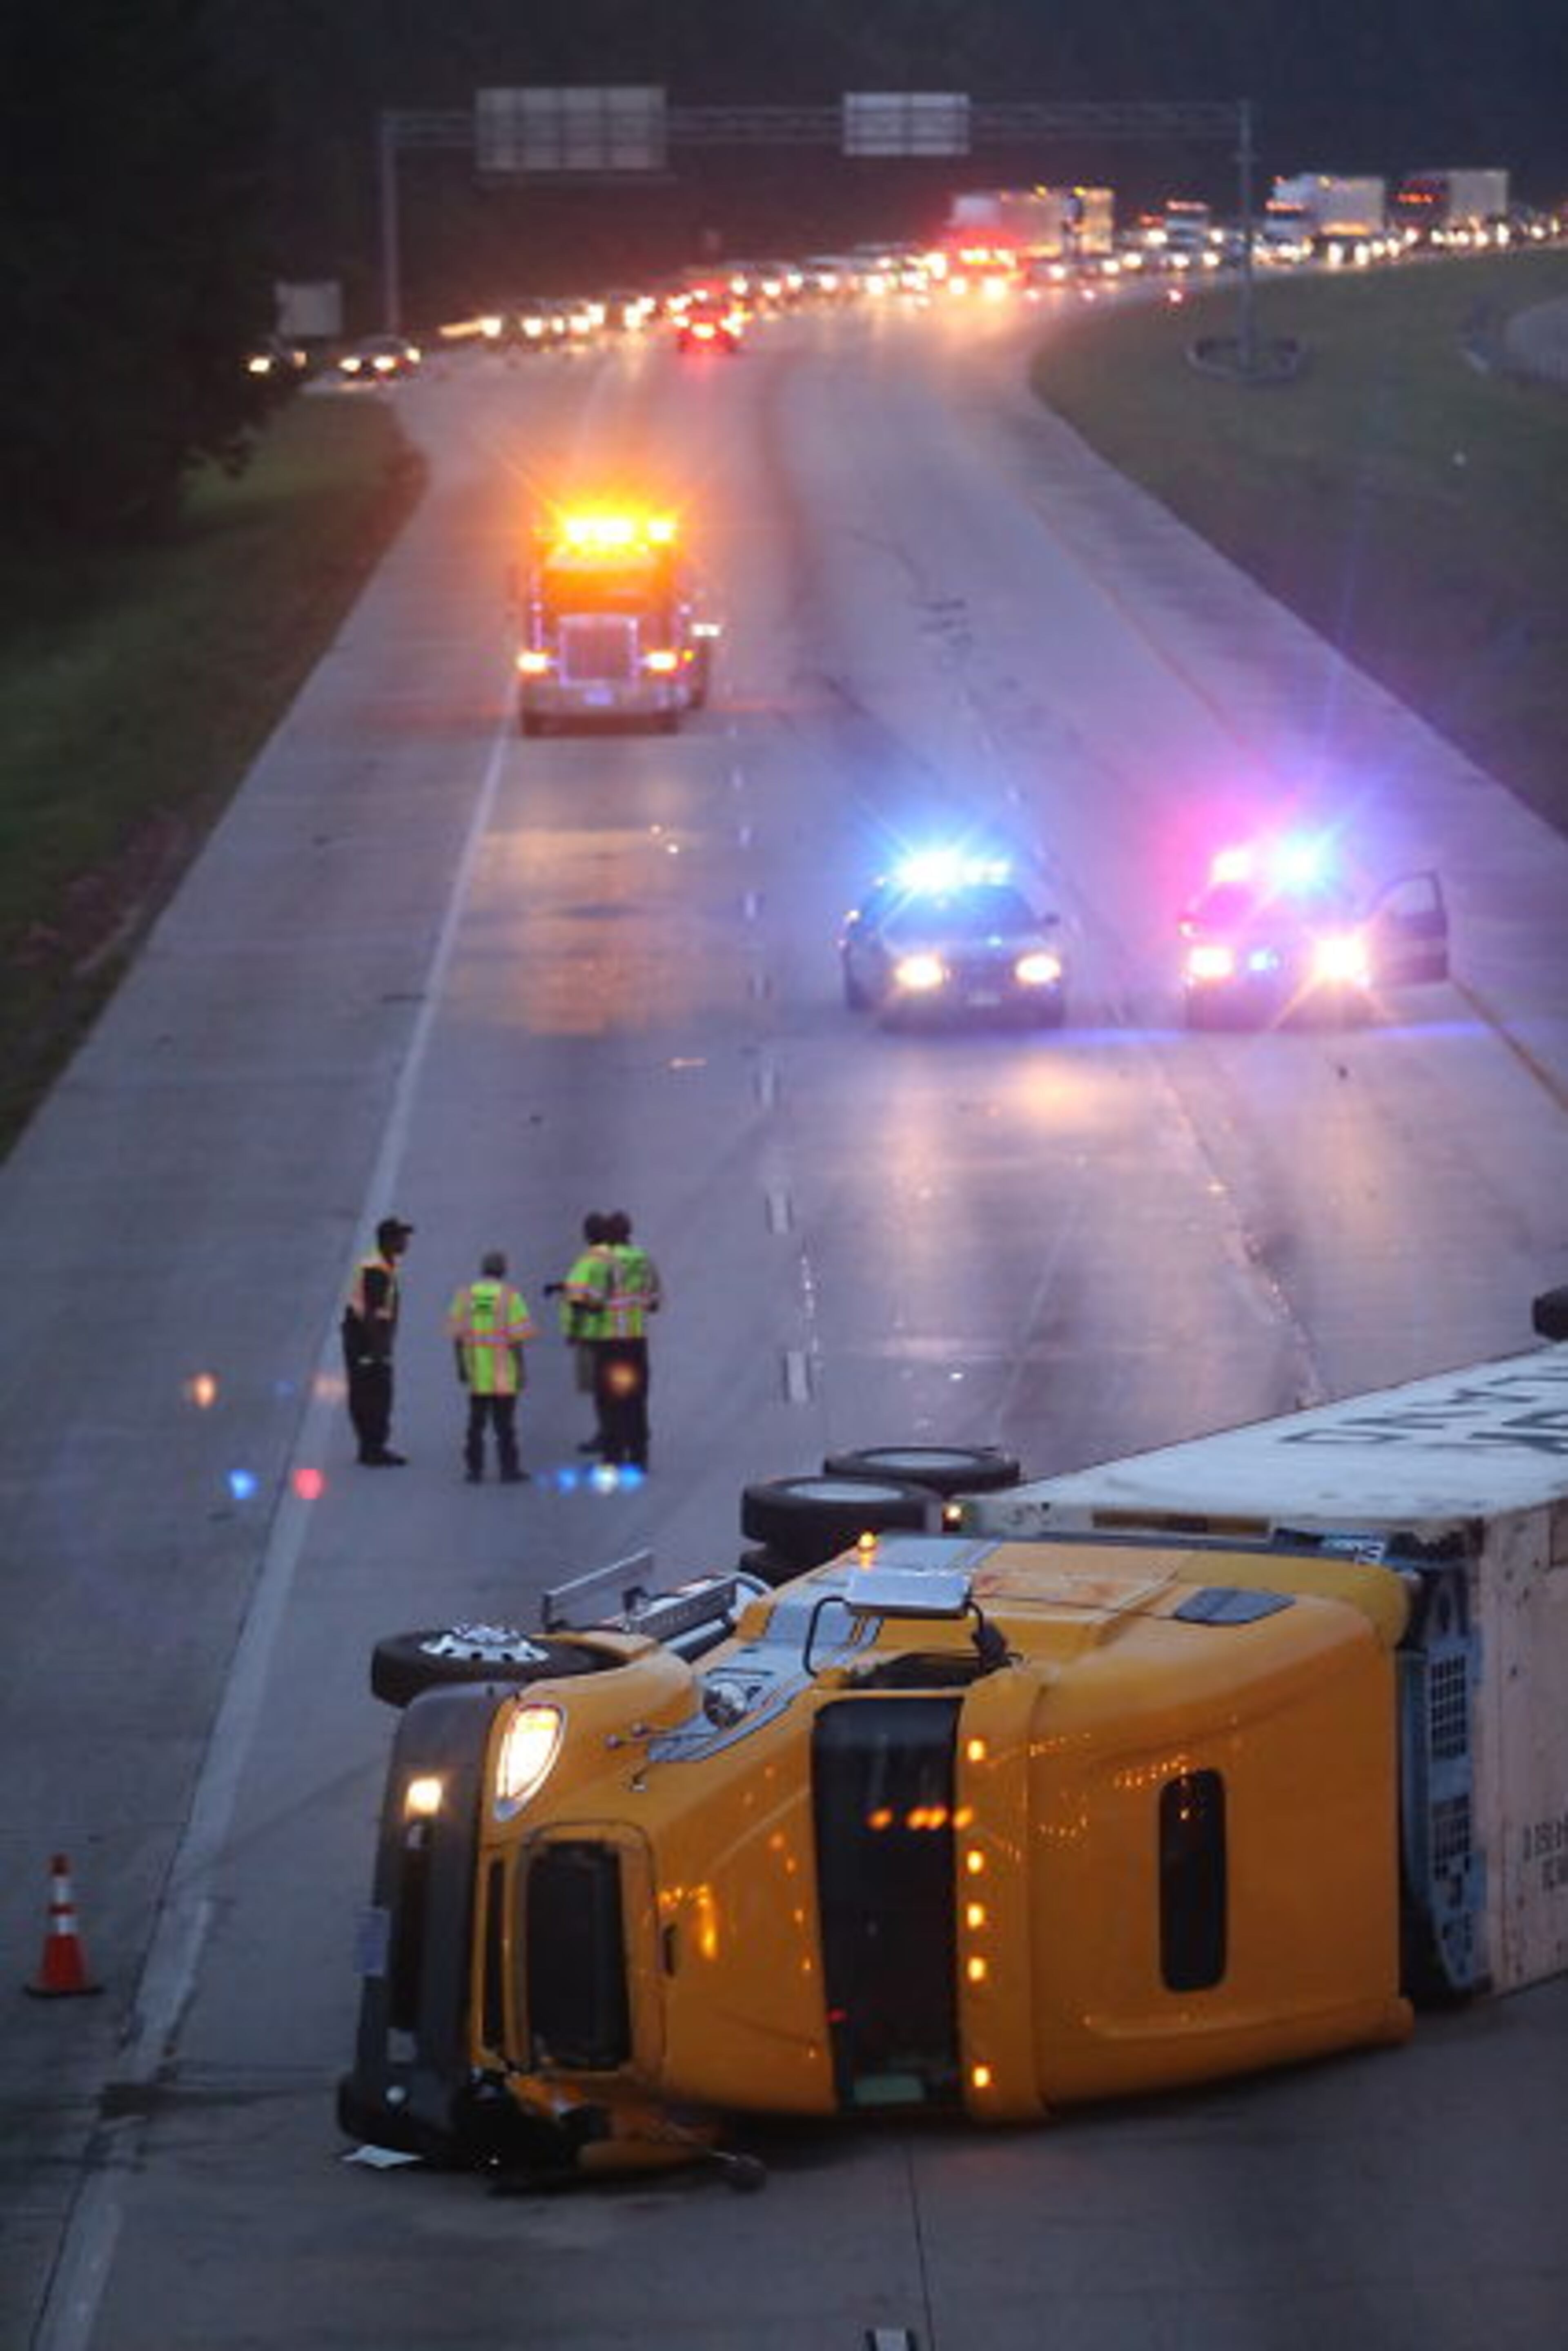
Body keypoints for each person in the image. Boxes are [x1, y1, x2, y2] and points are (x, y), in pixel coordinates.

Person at [447, 1249, 536, 1483]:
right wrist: (522, 1370)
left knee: (476, 1425)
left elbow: (457, 1337)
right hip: (503, 1374)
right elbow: (517, 1340)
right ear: (503, 1270)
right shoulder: (510, 1297)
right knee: (505, 1426)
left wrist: (461, 1366)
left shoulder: (465, 1297)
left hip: (477, 1374)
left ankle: (474, 1470)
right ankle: (509, 1470)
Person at [342, 1217, 413, 1465]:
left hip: (362, 1339)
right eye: (401, 1237)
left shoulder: (383, 1265)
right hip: (366, 1342)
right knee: (375, 1393)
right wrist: (378, 1349)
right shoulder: (378, 1271)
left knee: (369, 1393)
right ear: (389, 1241)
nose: (406, 1242)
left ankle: (370, 1447)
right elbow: (372, 1313)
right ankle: (373, 1449)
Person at [597, 1210, 662, 1470]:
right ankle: (639, 1453)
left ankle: (613, 1453)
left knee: (610, 1398)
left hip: (609, 1342)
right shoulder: (643, 1261)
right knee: (636, 1398)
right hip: (635, 1341)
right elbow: (654, 1303)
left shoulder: (599, 1263)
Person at [550, 1213, 615, 1455]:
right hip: (620, 1333)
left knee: (601, 1389)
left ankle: (605, 1433)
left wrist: (572, 1330)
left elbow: (575, 1299)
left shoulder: (587, 1262)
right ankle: (624, 1432)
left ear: (587, 1235)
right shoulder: (617, 1259)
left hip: (592, 1336)